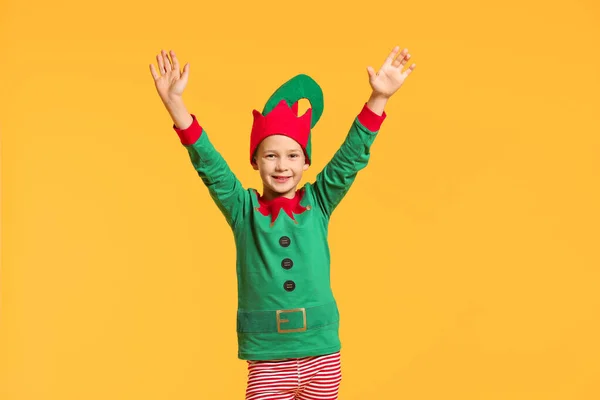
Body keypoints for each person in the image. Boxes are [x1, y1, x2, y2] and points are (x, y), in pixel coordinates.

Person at [149, 46, 416, 400]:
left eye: (293, 156)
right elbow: (209, 164)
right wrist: (175, 105)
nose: (281, 166)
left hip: (322, 354)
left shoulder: (318, 201)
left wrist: (378, 97)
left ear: (306, 162)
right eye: (270, 155)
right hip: (268, 360)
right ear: (255, 161)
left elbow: (351, 158)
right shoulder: (243, 209)